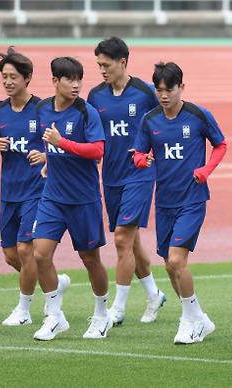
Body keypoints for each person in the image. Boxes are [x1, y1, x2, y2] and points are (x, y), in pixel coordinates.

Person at [133, 62, 227, 344]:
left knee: (177, 259)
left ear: (181, 88)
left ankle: (188, 321)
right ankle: (199, 318)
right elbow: (138, 152)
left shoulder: (198, 115)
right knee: (170, 265)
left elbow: (220, 145)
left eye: (169, 90)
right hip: (164, 201)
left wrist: (205, 170)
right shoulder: (150, 120)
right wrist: (141, 160)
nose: (164, 95)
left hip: (192, 199)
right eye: (159, 90)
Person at [0, 47, 69, 326]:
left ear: (27, 77)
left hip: (37, 189)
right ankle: (53, 282)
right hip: (9, 192)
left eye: (13, 76)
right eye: (4, 77)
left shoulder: (42, 109)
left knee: (25, 250)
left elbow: (59, 143)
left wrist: (45, 155)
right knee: (10, 255)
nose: (7, 82)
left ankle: (24, 310)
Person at [87, 37, 166, 326]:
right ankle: (154, 294)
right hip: (111, 176)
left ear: (122, 62)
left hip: (140, 174)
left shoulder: (145, 93)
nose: (101, 70)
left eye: (105, 64)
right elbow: (91, 135)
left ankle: (116, 310)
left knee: (121, 238)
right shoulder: (95, 97)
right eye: (98, 65)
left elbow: (166, 120)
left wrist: (156, 154)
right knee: (131, 241)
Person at [32, 57, 110, 341]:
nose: (76, 84)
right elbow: (48, 143)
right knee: (39, 254)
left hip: (83, 199)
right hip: (52, 197)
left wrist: (61, 143)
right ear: (55, 81)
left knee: (91, 260)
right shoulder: (42, 109)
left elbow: (97, 151)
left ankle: (102, 314)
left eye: (79, 78)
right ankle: (54, 316)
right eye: (69, 79)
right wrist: (47, 158)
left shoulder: (86, 112)